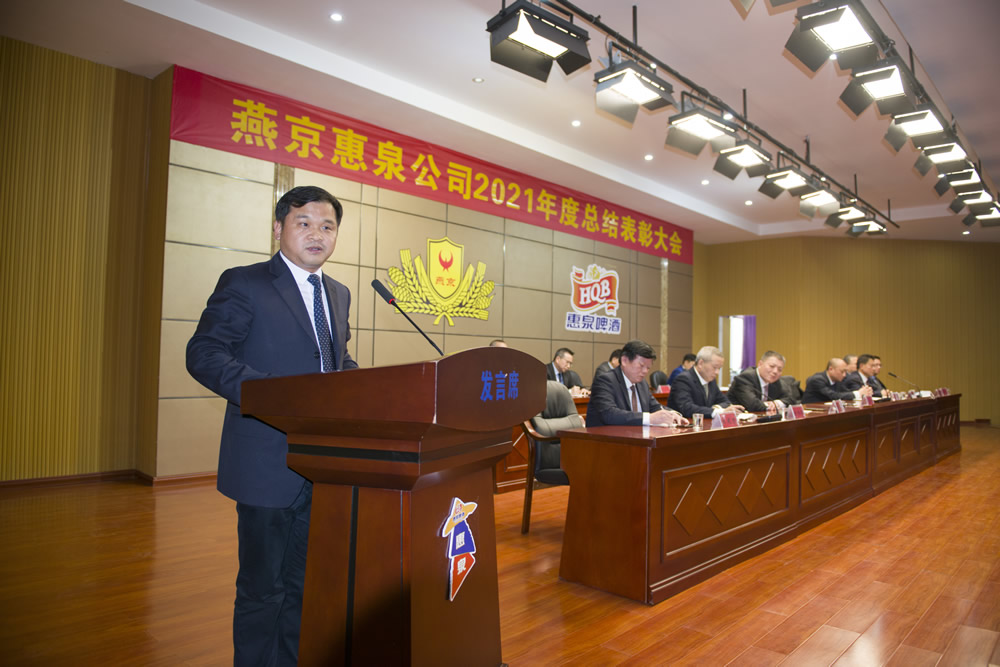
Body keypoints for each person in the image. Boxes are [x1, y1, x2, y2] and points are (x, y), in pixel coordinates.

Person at [186, 185, 359, 666]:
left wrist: (361, 385)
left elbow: (334, 360)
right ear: (279, 227)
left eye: (327, 226)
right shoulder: (245, 283)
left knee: (304, 585)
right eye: (304, 223)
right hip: (266, 461)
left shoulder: (338, 293)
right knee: (262, 589)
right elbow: (204, 353)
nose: (317, 234)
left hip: (322, 465)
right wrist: (272, 396)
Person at [586, 340, 687, 427]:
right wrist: (649, 418)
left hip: (637, 437)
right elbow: (609, 414)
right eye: (641, 366)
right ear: (624, 360)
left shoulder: (642, 383)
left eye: (648, 368)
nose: (645, 371)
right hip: (606, 440)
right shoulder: (605, 381)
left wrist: (672, 414)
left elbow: (654, 407)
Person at [667, 346, 744, 420]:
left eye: (719, 368)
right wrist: (718, 412)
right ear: (700, 363)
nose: (717, 372)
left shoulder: (711, 381)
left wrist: (716, 408)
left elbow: (725, 401)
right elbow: (687, 408)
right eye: (715, 367)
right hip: (684, 426)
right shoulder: (683, 379)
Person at [727, 351, 797, 413]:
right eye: (772, 366)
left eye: (780, 369)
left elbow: (792, 399)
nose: (775, 371)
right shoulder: (745, 378)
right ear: (760, 364)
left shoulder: (775, 381)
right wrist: (770, 405)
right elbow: (753, 405)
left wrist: (776, 403)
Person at [802, 358, 874, 403]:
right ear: (831, 369)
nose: (844, 375)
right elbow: (833, 396)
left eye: (845, 372)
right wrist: (858, 393)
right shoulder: (817, 380)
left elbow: (845, 393)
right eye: (842, 371)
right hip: (813, 412)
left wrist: (864, 392)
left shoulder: (838, 380)